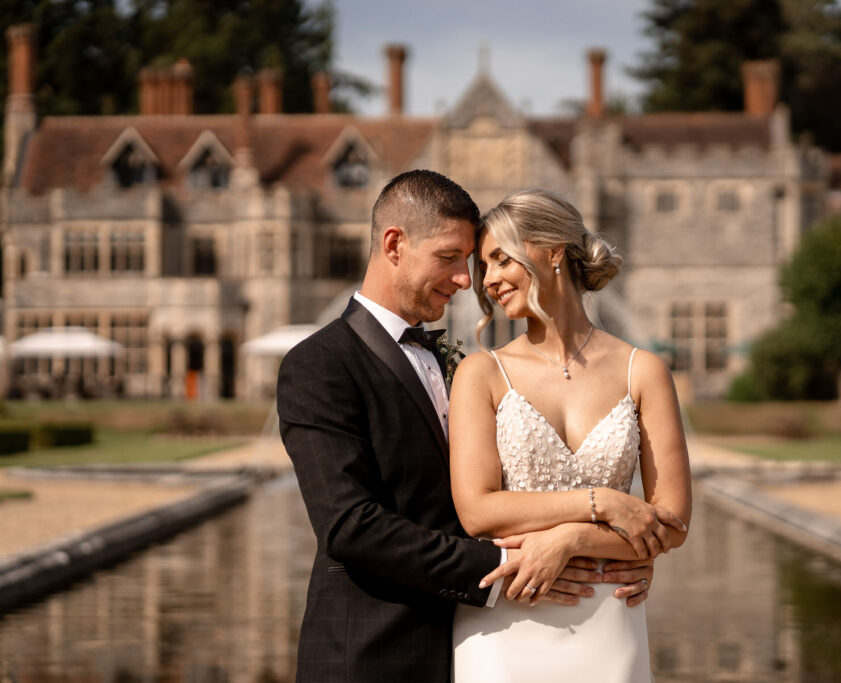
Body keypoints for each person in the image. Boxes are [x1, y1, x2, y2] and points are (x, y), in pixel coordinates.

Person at [277, 171, 654, 683]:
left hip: (472, 642)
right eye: (451, 258)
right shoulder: (319, 363)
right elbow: (351, 528)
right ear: (394, 244)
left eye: (470, 263)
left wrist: (600, 547)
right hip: (371, 654)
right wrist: (506, 566)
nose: (466, 281)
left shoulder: (455, 361)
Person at [449, 188, 693, 682]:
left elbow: (672, 524)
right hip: (505, 624)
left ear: (552, 251)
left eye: (500, 259)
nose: (488, 280)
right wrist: (601, 503)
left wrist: (571, 538)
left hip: (609, 619)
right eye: (485, 266)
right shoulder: (481, 373)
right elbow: (477, 511)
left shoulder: (642, 371)